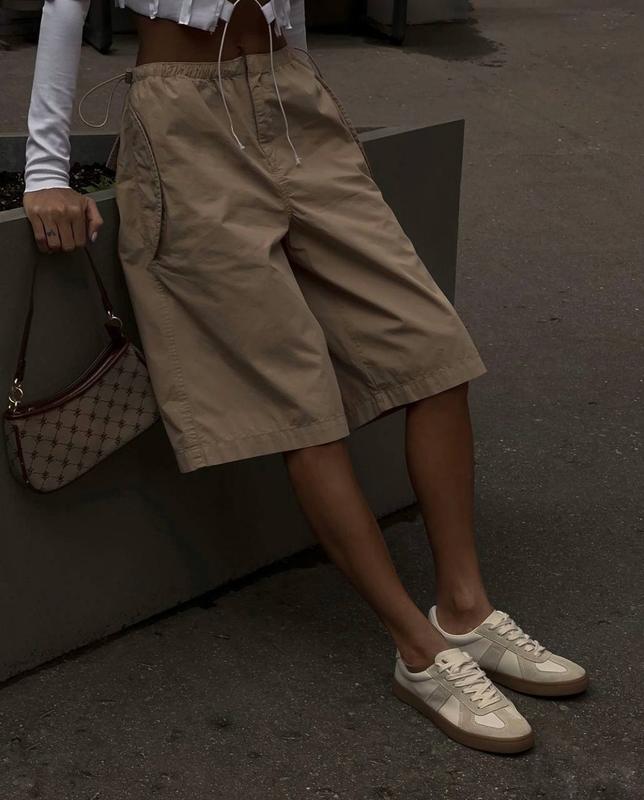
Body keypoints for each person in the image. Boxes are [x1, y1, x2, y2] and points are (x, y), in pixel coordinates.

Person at [21, 0, 587, 754]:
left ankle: (466, 609)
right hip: (183, 124)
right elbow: (63, 7)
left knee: (433, 350)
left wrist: (306, 87)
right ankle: (419, 651)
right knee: (297, 402)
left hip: (292, 98)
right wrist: (45, 169)